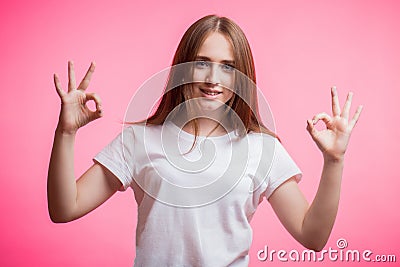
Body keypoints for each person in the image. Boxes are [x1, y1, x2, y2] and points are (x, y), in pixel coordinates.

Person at [47, 15, 363, 266]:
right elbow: (64, 208)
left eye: (227, 67)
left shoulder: (260, 148)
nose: (213, 79)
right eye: (201, 63)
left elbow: (313, 236)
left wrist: (334, 161)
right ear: (182, 69)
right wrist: (66, 132)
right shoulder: (139, 140)